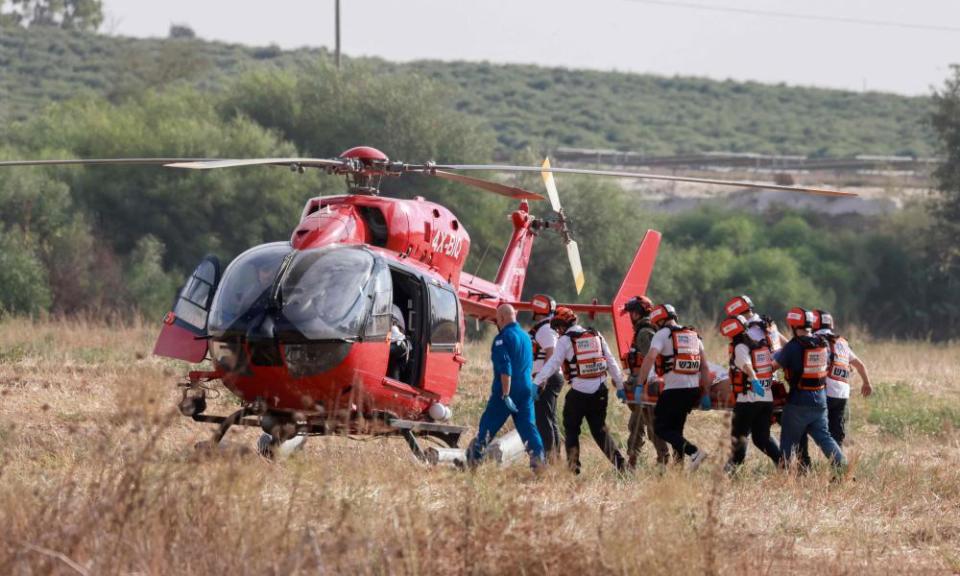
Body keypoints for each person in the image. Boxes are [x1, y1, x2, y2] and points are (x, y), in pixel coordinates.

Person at [533, 307, 627, 474]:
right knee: (600, 431)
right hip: (600, 392)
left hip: (578, 395)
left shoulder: (565, 340)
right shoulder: (597, 335)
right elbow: (611, 362)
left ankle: (573, 469)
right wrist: (620, 386)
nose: (558, 332)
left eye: (557, 328)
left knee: (571, 429)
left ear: (562, 326)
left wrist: (536, 382)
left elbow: (553, 364)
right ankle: (622, 466)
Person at [468, 304, 545, 468]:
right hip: (526, 389)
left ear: (501, 318)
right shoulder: (526, 337)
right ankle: (539, 463)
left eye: (497, 319)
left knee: (487, 425)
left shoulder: (502, 338)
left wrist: (505, 394)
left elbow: (505, 368)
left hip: (507, 390)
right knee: (529, 429)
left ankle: (474, 461)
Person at [636, 304, 710, 470]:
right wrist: (705, 393)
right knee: (676, 431)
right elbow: (704, 367)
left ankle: (695, 452)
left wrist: (640, 384)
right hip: (692, 391)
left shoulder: (662, 334)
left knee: (660, 428)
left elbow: (649, 359)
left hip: (674, 390)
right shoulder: (693, 335)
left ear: (659, 321)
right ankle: (678, 470)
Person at [772, 307, 845, 472]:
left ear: (792, 326)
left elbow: (773, 367)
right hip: (820, 400)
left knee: (788, 441)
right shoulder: (823, 343)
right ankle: (844, 470)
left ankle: (784, 475)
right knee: (826, 439)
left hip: (797, 402)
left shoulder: (793, 347)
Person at [797, 310, 873, 459]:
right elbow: (859, 365)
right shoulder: (842, 342)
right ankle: (838, 467)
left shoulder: (815, 339)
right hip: (842, 394)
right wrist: (867, 383)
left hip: (824, 392)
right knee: (836, 433)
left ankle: (804, 465)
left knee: (802, 425)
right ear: (831, 324)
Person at [720, 314, 782, 472]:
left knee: (739, 437)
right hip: (765, 400)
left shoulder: (740, 346)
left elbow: (747, 366)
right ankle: (783, 463)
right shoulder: (761, 344)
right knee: (762, 438)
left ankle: (732, 471)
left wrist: (754, 381)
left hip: (747, 401)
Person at [622, 295, 670, 467]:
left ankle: (662, 459)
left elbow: (653, 361)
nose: (629, 317)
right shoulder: (647, 330)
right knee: (637, 425)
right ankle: (634, 460)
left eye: (631, 313)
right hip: (644, 385)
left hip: (647, 387)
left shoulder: (644, 333)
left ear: (636, 314)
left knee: (647, 426)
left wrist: (642, 386)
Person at [529, 294, 563, 461]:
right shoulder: (547, 328)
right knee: (549, 419)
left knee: (544, 421)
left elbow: (551, 353)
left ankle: (551, 460)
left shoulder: (545, 329)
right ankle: (555, 458)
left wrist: (542, 380)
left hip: (547, 379)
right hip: (549, 377)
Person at [387, 304, 410, 381]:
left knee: (384, 352)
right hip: (402, 348)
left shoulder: (393, 327)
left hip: (400, 347)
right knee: (395, 367)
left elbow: (393, 338)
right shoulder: (395, 310)